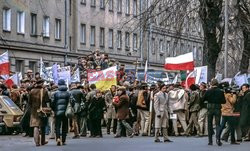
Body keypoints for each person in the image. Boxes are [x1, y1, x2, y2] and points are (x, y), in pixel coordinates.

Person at [203, 79, 226, 146]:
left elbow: (203, 99)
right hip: (217, 108)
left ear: (211, 84)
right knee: (217, 124)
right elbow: (224, 101)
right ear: (217, 84)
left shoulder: (208, 91)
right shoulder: (220, 91)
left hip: (210, 108)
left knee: (209, 124)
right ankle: (218, 139)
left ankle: (210, 141)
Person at [29, 79, 50, 147]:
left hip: (34, 110)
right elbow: (47, 100)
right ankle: (42, 141)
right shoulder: (44, 91)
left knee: (36, 126)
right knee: (43, 125)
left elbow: (29, 102)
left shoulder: (31, 91)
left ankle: (37, 142)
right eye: (43, 83)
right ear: (41, 83)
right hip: (42, 110)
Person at [51, 79, 70, 146]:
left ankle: (58, 138)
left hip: (57, 112)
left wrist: (54, 109)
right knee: (64, 126)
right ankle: (63, 140)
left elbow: (52, 103)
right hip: (65, 112)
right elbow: (72, 101)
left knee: (57, 126)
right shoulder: (68, 93)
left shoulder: (55, 93)